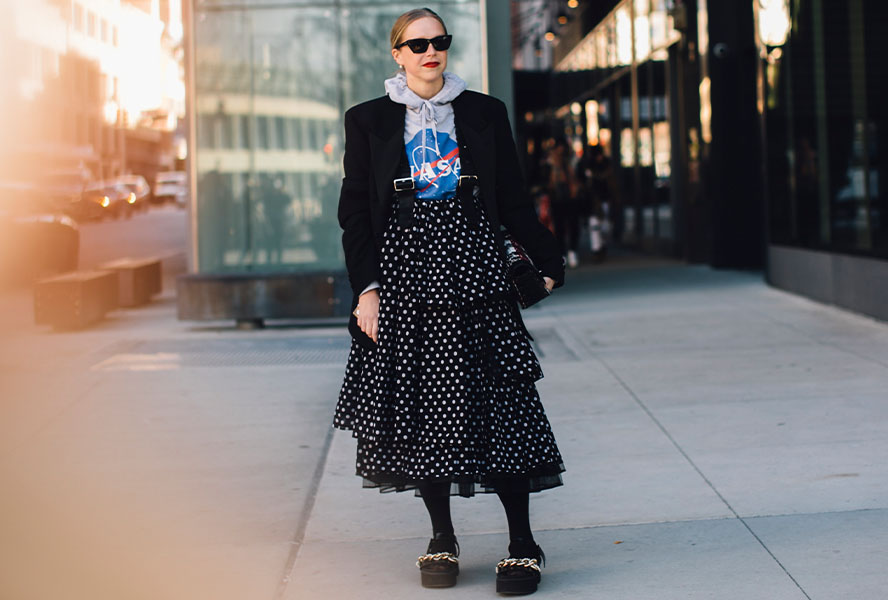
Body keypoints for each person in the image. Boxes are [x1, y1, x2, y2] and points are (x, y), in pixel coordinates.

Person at [333, 8, 566, 595]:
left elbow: (513, 197)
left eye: (439, 41)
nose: (430, 52)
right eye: (417, 44)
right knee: (422, 407)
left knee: (502, 399)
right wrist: (367, 290)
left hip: (476, 269)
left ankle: (523, 544)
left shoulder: (485, 112)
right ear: (398, 54)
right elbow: (355, 214)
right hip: (404, 275)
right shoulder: (367, 121)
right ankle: (442, 536)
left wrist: (550, 260)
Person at [546, 137, 581, 268]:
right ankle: (563, 253)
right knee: (559, 226)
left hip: (571, 198)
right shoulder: (551, 163)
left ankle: (572, 251)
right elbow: (547, 182)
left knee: (573, 225)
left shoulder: (571, 162)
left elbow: (578, 178)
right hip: (557, 198)